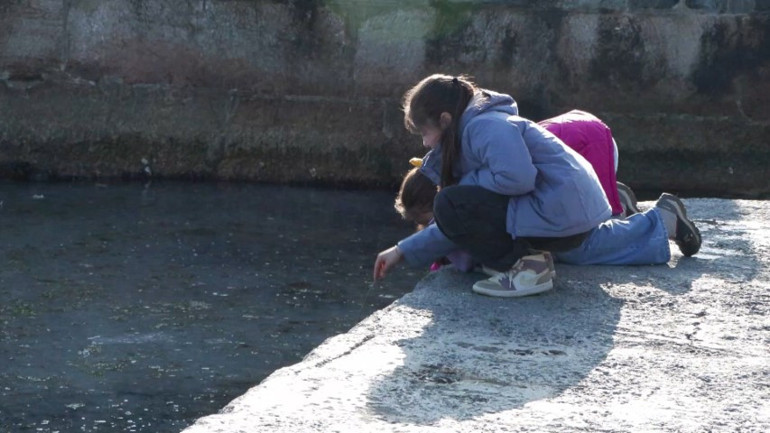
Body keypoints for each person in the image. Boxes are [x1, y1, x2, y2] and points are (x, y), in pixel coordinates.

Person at [373, 73, 701, 298]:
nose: (427, 144)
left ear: (445, 120)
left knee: (451, 203)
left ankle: (526, 269)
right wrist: (404, 251)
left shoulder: (484, 127)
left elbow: (517, 179)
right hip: (562, 205)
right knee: (579, 252)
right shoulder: (475, 129)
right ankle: (661, 222)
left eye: (424, 133)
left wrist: (466, 183)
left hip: (559, 204)